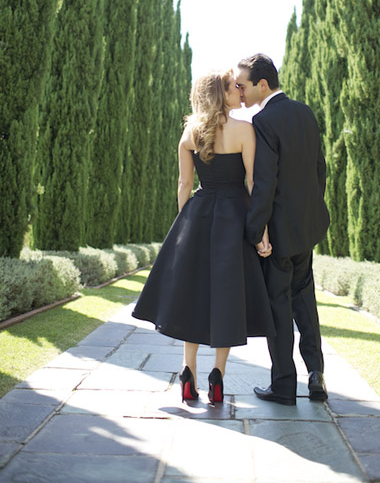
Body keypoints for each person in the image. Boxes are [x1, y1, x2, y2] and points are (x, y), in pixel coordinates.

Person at [132, 70, 274, 404]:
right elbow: (252, 184)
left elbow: (183, 186)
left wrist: (185, 225)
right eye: (232, 87)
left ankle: (187, 369)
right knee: (227, 297)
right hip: (234, 220)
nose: (238, 90)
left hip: (199, 216)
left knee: (193, 296)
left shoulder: (190, 132)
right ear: (221, 95)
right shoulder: (244, 130)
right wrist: (260, 229)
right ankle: (218, 375)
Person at [236, 53, 330, 406]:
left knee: (278, 305)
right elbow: (319, 169)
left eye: (242, 85)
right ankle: (316, 374)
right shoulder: (305, 112)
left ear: (262, 84)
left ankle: (283, 385)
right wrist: (310, 212)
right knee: (305, 300)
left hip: (277, 235)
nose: (239, 91)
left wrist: (254, 230)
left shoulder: (264, 120)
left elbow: (265, 182)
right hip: (306, 228)